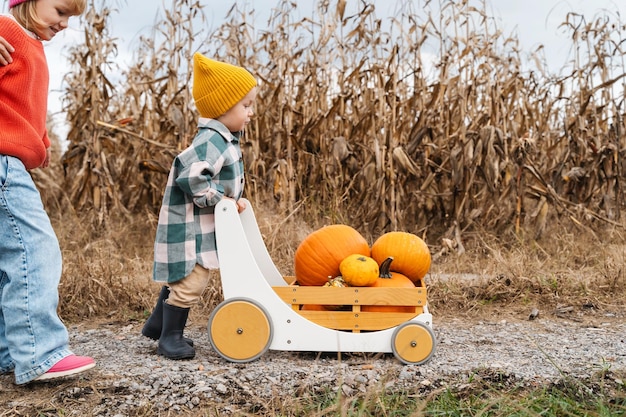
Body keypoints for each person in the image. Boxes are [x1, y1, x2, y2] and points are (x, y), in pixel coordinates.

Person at [0, 0, 95, 384]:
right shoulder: (7, 31)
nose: (65, 24)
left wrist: (39, 141)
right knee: (34, 250)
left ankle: (8, 353)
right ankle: (41, 353)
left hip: (12, 159)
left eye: (71, 17)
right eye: (60, 10)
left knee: (8, 263)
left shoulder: (31, 43)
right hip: (4, 163)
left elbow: (20, 104)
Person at [141, 52, 257, 360]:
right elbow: (191, 177)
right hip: (192, 227)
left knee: (184, 276)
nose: (250, 112)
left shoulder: (225, 139)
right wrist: (222, 200)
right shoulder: (212, 141)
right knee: (193, 280)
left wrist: (233, 201)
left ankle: (157, 324)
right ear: (222, 107)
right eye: (245, 105)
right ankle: (169, 338)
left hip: (200, 225)